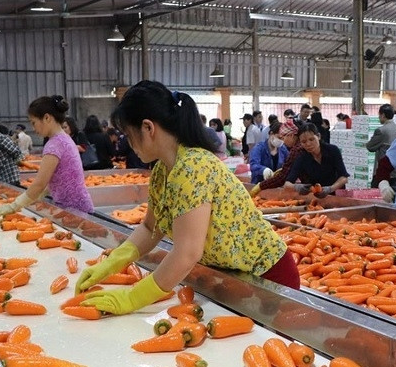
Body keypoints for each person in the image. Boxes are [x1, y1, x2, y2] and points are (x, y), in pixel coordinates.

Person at [76, 81, 299, 315]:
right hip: (237, 276)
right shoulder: (162, 171)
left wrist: (133, 298)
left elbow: (187, 253)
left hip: (268, 278)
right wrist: (114, 261)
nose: (129, 145)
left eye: (129, 136)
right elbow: (151, 227)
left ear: (148, 128)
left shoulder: (192, 167)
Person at [0, 95, 94, 220]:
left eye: (34, 123)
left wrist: (14, 206)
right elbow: (60, 176)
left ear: (47, 118)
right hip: (78, 207)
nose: (33, 128)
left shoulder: (54, 145)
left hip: (73, 211)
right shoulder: (64, 138)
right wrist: (40, 194)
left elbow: (39, 184)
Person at [284, 123, 349, 198]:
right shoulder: (302, 158)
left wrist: (330, 189)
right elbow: (287, 184)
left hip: (337, 195)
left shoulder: (332, 150)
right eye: (304, 142)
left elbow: (344, 177)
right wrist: (297, 187)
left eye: (311, 139)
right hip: (317, 197)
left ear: (318, 136)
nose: (308, 144)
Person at [248, 119, 301, 196]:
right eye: (279, 137)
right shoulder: (258, 148)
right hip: (259, 187)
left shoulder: (283, 149)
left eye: (283, 138)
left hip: (278, 187)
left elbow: (288, 166)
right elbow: (253, 165)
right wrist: (263, 170)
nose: (282, 141)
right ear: (271, 133)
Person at [366, 104, 396, 188]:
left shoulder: (381, 130)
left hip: (383, 172)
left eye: (379, 115)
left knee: (376, 194)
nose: (379, 117)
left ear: (382, 115)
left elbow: (370, 147)